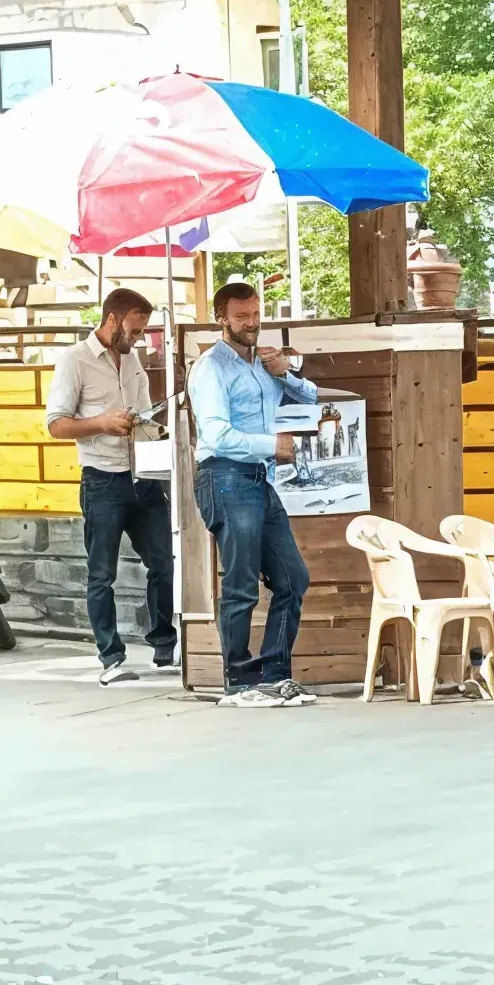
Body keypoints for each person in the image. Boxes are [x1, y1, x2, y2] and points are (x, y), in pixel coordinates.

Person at [190, 278, 318, 705]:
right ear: (221, 318)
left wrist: (286, 373)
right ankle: (240, 682)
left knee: (292, 577)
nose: (251, 323)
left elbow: (311, 397)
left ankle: (275, 675)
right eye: (242, 316)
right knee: (242, 583)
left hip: (258, 479)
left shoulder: (261, 362)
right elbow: (216, 434)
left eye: (256, 314)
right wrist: (271, 445)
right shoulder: (211, 367)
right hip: (224, 475)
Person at [49, 286, 183, 684]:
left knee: (163, 564)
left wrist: (159, 430)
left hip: (144, 477)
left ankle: (163, 645)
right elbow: (56, 424)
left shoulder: (132, 360)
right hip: (101, 480)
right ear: (112, 320)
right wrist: (102, 423)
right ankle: (111, 657)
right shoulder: (74, 360)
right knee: (101, 573)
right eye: (136, 330)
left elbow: (140, 417)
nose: (139, 338)